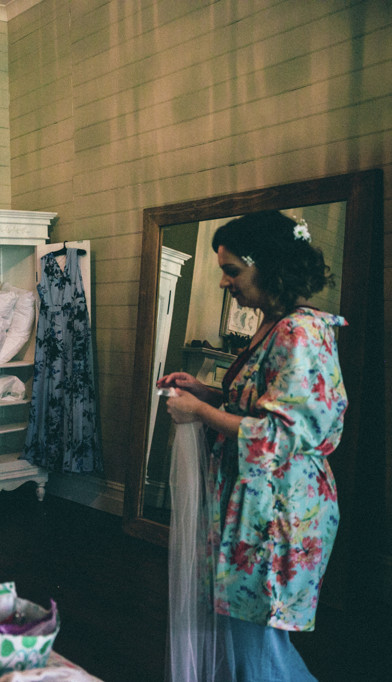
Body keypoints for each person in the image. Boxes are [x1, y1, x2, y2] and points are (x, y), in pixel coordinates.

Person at [157, 211, 346, 680]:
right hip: (255, 501)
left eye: (232, 271)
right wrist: (208, 393)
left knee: (257, 645)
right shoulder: (273, 324)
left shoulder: (300, 332)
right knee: (248, 635)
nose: (225, 282)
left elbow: (281, 435)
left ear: (269, 266)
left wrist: (199, 413)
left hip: (279, 509)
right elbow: (263, 403)